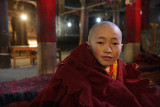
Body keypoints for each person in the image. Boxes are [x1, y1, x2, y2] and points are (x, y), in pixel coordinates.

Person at [29, 21, 160, 107]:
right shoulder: (73, 66)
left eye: (114, 44)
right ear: (88, 46)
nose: (108, 50)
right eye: (100, 43)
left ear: (121, 47)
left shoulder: (119, 66)